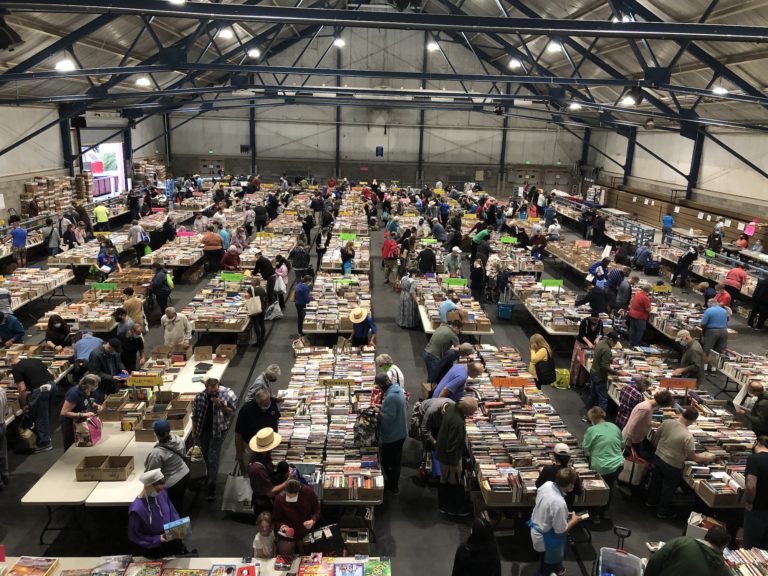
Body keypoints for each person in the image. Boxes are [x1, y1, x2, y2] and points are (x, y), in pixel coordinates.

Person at [647, 407, 716, 519]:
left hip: (658, 457)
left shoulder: (667, 422)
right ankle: (662, 511)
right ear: (693, 421)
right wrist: (707, 457)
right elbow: (693, 457)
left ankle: (651, 502)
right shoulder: (687, 436)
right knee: (668, 488)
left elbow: (656, 436)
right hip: (672, 464)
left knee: (656, 482)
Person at [529, 468, 585, 576]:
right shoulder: (559, 503)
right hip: (546, 541)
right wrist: (574, 520)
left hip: (537, 527)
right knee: (544, 570)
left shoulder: (547, 484)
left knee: (543, 563)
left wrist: (563, 515)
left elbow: (547, 506)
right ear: (570, 485)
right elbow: (560, 531)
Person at [192, 377, 237, 500]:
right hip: (203, 431)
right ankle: (206, 478)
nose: (214, 394)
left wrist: (221, 406)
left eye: (216, 391)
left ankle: (211, 487)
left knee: (213, 458)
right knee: (205, 456)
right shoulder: (200, 397)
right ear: (206, 389)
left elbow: (231, 413)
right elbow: (195, 415)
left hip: (217, 431)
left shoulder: (227, 395)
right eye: (211, 392)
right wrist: (194, 432)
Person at [436, 397, 479, 517]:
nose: (473, 414)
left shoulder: (453, 407)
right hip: (449, 458)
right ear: (467, 410)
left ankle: (443, 505)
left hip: (443, 452)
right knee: (452, 482)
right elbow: (452, 445)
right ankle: (451, 508)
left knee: (445, 480)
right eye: (473, 411)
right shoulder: (457, 422)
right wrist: (454, 464)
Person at [128, 469, 184, 558]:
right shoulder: (137, 509)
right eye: (157, 490)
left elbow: (171, 511)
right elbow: (134, 534)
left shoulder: (162, 492)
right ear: (148, 486)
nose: (159, 492)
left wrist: (179, 529)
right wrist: (156, 539)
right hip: (155, 547)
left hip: (170, 538)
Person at [582, 407, 624, 523]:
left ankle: (595, 515)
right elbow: (622, 444)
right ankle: (605, 511)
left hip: (601, 466)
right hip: (618, 464)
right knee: (609, 487)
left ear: (592, 418)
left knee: (597, 489)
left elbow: (586, 448)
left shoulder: (592, 430)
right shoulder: (614, 427)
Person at [10, 354, 56, 452]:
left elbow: (22, 389)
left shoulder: (16, 368)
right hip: (52, 386)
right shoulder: (35, 360)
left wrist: (24, 405)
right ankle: (46, 436)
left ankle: (45, 443)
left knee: (40, 416)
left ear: (12, 363)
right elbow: (51, 373)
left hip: (41, 390)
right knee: (45, 413)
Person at [643, 526, 731, 576]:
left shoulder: (683, 542)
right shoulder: (724, 570)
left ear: (706, 535)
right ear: (723, 547)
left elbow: (655, 560)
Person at [144, 420, 190, 515]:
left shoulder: (157, 453)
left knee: (171, 510)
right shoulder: (177, 439)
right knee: (179, 505)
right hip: (184, 474)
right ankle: (180, 525)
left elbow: (151, 474)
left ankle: (176, 529)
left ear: (156, 435)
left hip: (173, 484)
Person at [374, 373, 408, 494]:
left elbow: (388, 417)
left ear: (382, 385)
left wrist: (378, 411)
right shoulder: (397, 390)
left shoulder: (391, 397)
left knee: (390, 461)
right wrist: (382, 406)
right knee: (395, 459)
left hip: (394, 435)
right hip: (400, 431)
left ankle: (393, 486)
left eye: (378, 386)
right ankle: (393, 483)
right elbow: (392, 408)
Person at [247, 428, 293, 515]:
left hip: (267, 491)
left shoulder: (264, 456)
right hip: (264, 505)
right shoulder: (257, 469)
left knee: (283, 465)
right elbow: (270, 493)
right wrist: (288, 481)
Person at [235, 388, 281, 471]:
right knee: (252, 469)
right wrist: (239, 453)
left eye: (268, 403)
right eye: (264, 405)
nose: (267, 406)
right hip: (252, 446)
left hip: (269, 443)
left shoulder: (272, 402)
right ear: (257, 402)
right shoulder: (245, 411)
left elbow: (276, 419)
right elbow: (238, 433)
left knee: (269, 467)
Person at [273, 479, 321, 549]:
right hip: (287, 534)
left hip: (305, 531)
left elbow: (317, 510)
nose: (291, 499)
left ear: (299, 490)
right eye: (289, 496)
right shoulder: (279, 498)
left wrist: (313, 520)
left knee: (306, 556)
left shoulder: (308, 492)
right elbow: (276, 519)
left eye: (294, 496)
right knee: (286, 556)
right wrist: (282, 526)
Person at [622, 390, 673, 456]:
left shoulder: (648, 405)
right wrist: (629, 439)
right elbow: (633, 423)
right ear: (661, 404)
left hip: (635, 438)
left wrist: (657, 424)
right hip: (632, 439)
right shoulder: (646, 409)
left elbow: (644, 421)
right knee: (631, 461)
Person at [535, 444, 583, 510]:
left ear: (554, 456)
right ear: (569, 458)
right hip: (566, 506)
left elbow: (538, 485)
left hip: (547, 505)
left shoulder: (547, 470)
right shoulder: (572, 473)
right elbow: (578, 492)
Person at [59, 374, 101, 450]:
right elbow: (64, 412)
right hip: (70, 424)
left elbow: (84, 402)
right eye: (94, 386)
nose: (95, 388)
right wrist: (84, 414)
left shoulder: (85, 391)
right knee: (71, 447)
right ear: (88, 386)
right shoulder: (74, 393)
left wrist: (95, 405)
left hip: (80, 423)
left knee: (81, 447)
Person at [587, 331, 619, 413]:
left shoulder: (601, 343)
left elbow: (599, 356)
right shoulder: (607, 350)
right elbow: (604, 367)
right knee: (603, 399)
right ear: (610, 340)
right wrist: (618, 373)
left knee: (593, 395)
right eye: (615, 342)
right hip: (600, 376)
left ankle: (588, 414)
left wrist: (611, 360)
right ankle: (601, 419)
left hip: (593, 372)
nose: (615, 344)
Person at [701, 299, 729, 373]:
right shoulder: (724, 311)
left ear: (709, 304)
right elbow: (726, 321)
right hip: (724, 331)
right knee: (718, 351)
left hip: (712, 331)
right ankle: (714, 369)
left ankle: (705, 369)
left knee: (707, 350)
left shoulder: (709, 310)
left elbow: (703, 323)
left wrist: (704, 330)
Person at [247, 279, 268, 347]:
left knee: (256, 325)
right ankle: (262, 339)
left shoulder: (251, 289)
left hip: (255, 309)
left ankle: (258, 342)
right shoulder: (262, 289)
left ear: (253, 284)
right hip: (262, 308)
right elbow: (265, 298)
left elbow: (247, 297)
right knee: (262, 324)